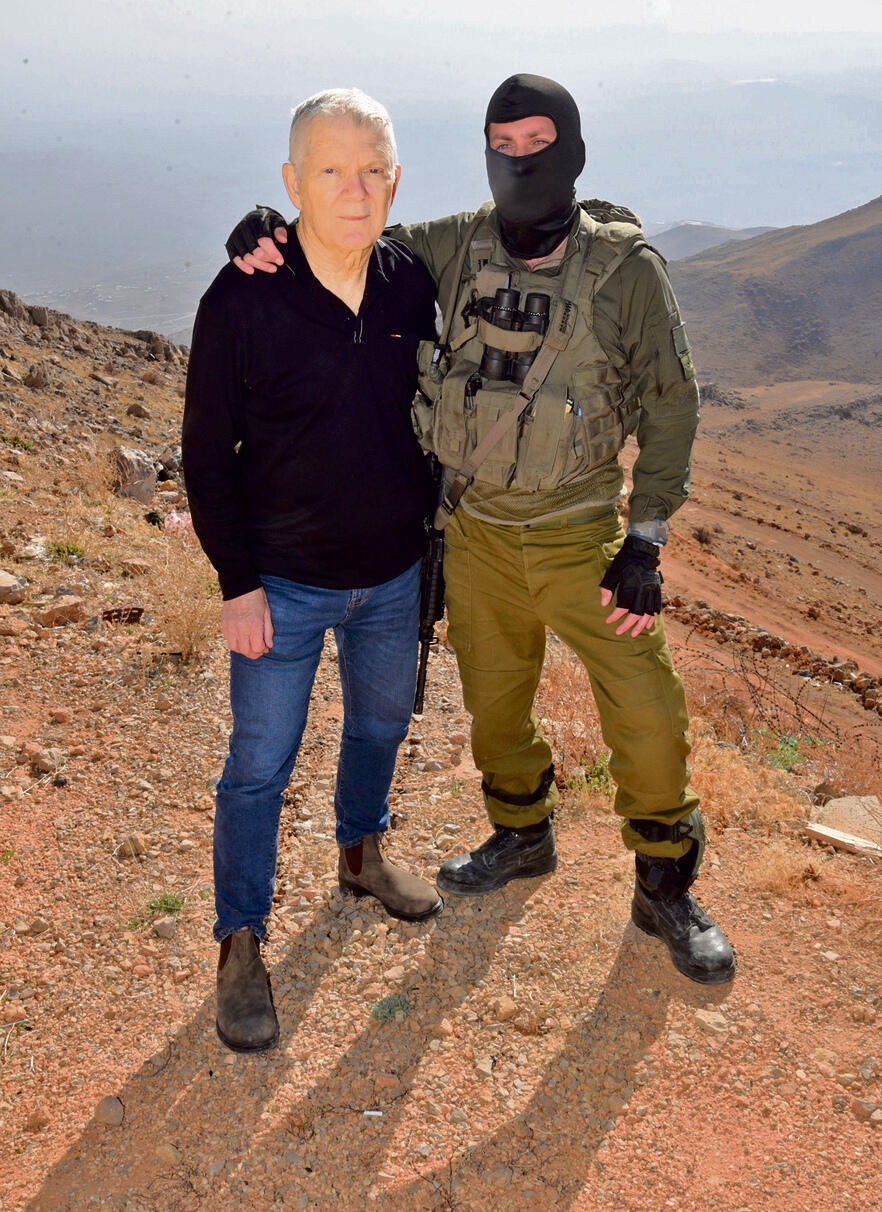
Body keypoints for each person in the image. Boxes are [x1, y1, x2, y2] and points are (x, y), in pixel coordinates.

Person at [224, 74, 735, 986]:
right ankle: (521, 833)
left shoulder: (626, 272)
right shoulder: (453, 245)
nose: (520, 162)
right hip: (476, 535)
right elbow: (350, 234)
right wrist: (272, 228)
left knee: (646, 709)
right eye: (503, 146)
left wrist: (646, 537)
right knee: (495, 706)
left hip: (581, 533)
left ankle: (665, 883)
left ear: (573, 151)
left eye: (539, 143)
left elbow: (672, 402)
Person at [182, 88, 444, 1054]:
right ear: (292, 182)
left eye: (373, 169)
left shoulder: (411, 282)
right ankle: (240, 941)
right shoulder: (241, 298)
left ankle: (361, 853)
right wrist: (236, 583)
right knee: (259, 766)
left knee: (382, 722)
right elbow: (205, 455)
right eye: (331, 169)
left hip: (393, 574)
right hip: (280, 585)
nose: (354, 189)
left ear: (396, 181)